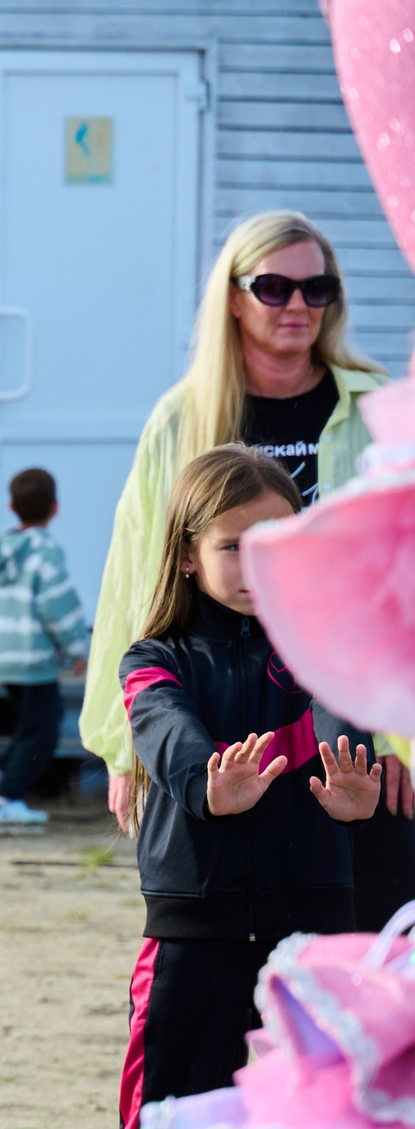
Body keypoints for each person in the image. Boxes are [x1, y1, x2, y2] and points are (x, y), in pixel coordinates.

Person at [82, 210, 414, 927]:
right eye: (274, 286)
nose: (298, 305)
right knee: (215, 945)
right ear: (233, 296)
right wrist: (119, 743)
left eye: (316, 288)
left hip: (354, 708)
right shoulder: (183, 418)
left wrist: (403, 733)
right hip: (216, 707)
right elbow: (137, 574)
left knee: (370, 926)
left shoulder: (376, 403)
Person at [101, 445, 380, 1129]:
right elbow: (165, 732)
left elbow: (339, 726)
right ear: (187, 554)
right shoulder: (154, 657)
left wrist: (352, 789)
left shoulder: (325, 649)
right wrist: (204, 783)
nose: (255, 561)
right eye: (232, 544)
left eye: (275, 539)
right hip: (195, 940)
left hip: (314, 943)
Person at [0, 467, 89, 826]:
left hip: (0, 653)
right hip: (32, 655)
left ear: (10, 506)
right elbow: (57, 602)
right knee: (44, 729)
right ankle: (6, 799)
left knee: (31, 724)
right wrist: (75, 648)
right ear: (55, 507)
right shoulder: (45, 550)